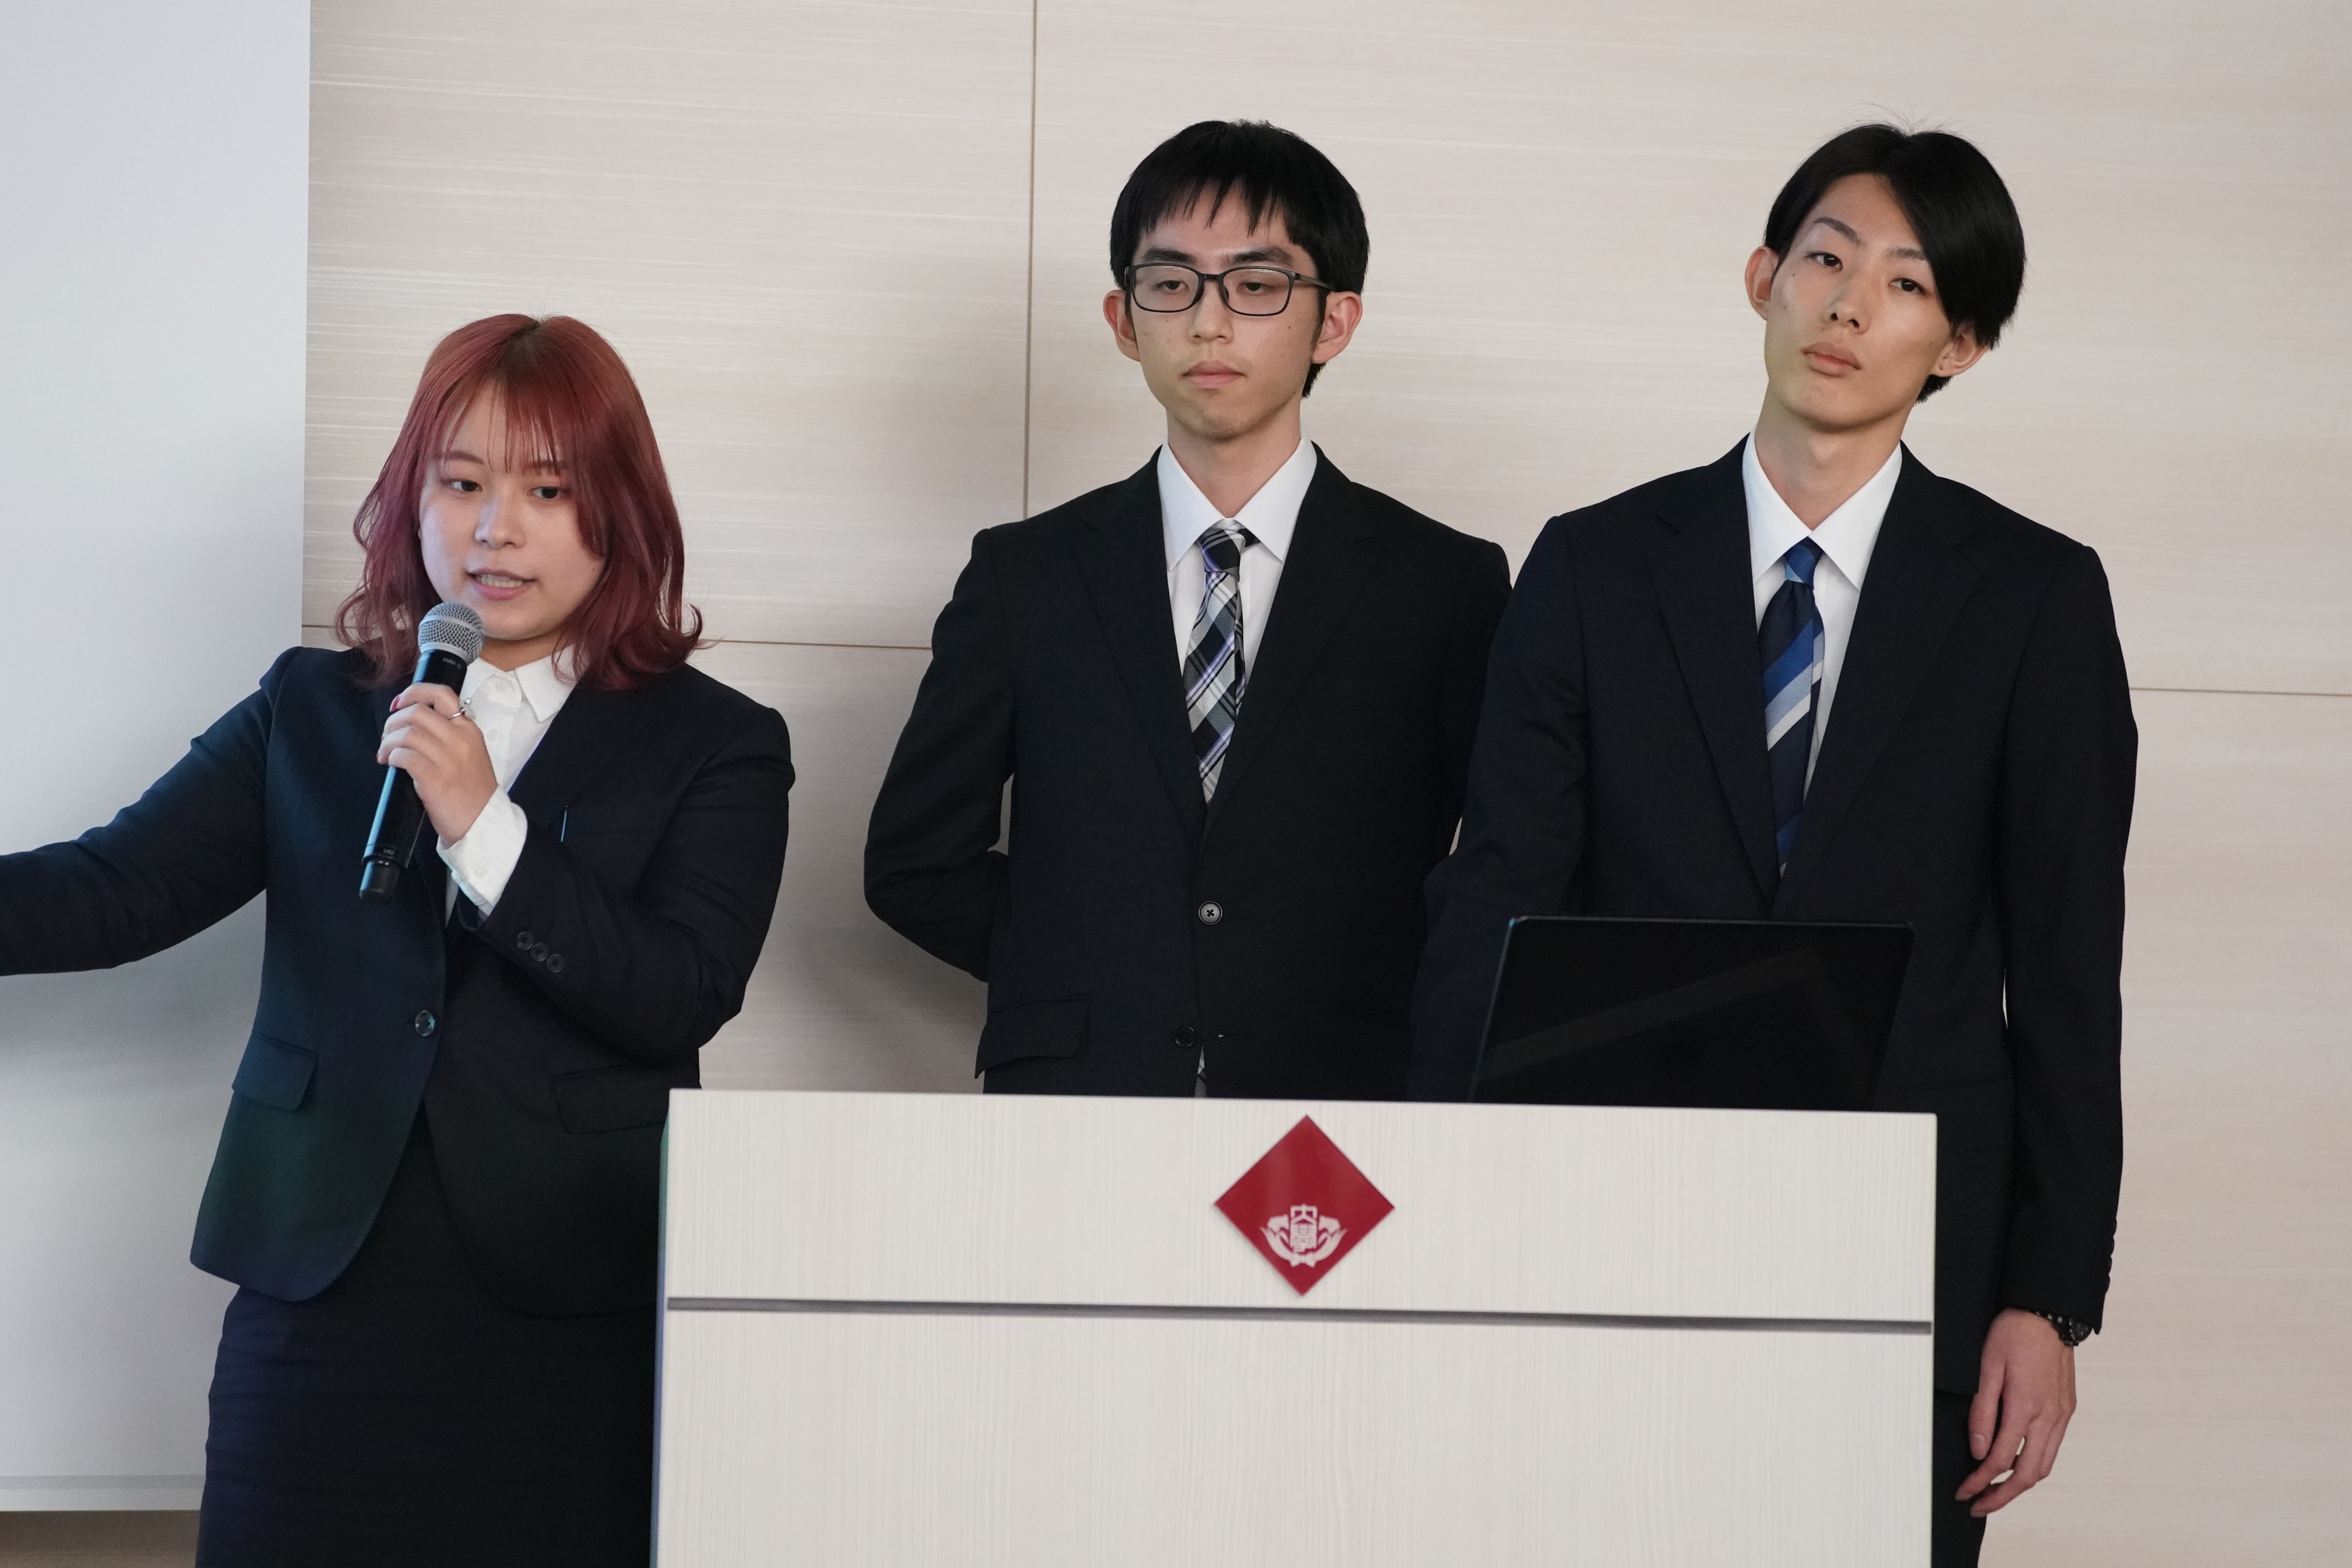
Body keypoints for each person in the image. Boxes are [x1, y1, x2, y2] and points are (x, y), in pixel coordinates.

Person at [1409, 125, 2134, 1564]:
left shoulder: (2034, 597)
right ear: (1762, 277)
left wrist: (2046, 1298)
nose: (1849, 306)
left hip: (1913, 1256)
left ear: (1959, 346)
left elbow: (2067, 968)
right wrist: (1440, 1207)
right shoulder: (1594, 565)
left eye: (1907, 284)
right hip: (1602, 1240)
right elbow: (1495, 902)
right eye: (1824, 259)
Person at [0, 315, 794, 1566]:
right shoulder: (312, 708)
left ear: (622, 512)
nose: (495, 530)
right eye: (461, 484)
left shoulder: (716, 743)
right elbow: (114, 892)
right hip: (318, 1297)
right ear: (411, 500)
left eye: (548, 490)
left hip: (573, 1303)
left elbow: (679, 992)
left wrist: (485, 827)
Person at [866, 120, 1509, 1098]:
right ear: (1125, 321)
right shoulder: (1026, 576)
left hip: (1348, 1087)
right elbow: (914, 861)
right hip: (1082, 1090)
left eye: (1257, 284)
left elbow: (1505, 867)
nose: (1209, 323)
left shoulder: (1445, 584)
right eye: (1171, 283)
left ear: (1334, 321)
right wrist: (1095, 968)